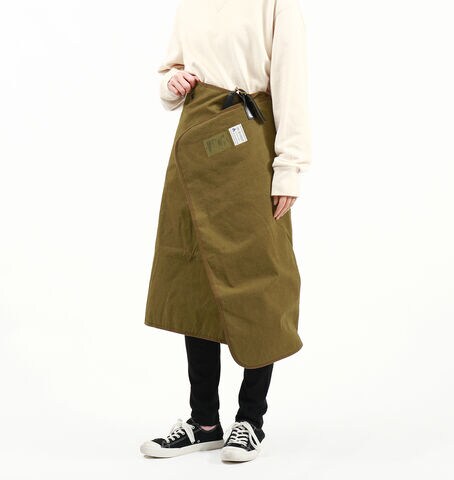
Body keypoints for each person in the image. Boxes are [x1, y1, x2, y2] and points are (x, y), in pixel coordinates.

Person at [140, 0, 311, 463]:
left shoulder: (277, 4)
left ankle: (250, 420)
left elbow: (292, 83)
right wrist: (172, 83)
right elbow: (171, 70)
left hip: (248, 139)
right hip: (196, 140)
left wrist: (289, 167)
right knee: (194, 276)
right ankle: (204, 423)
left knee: (260, 278)